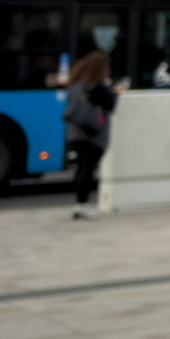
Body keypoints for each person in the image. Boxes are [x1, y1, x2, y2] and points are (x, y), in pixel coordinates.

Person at [62, 50, 117, 219]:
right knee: (88, 169)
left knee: (80, 168)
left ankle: (79, 204)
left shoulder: (76, 84)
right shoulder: (98, 87)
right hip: (93, 134)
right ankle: (82, 204)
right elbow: (111, 105)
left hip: (75, 133)